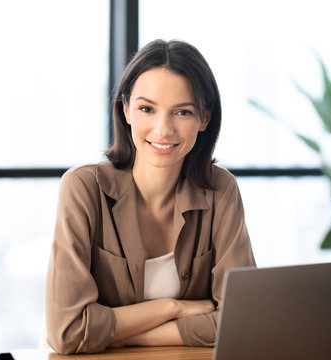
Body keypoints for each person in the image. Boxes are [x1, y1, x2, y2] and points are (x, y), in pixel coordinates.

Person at [45, 39, 256, 354]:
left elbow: (241, 320)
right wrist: (171, 308)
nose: (163, 129)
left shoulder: (220, 191)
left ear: (205, 119)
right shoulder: (82, 189)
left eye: (182, 112)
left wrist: (123, 335)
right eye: (147, 108)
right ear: (127, 109)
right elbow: (69, 332)